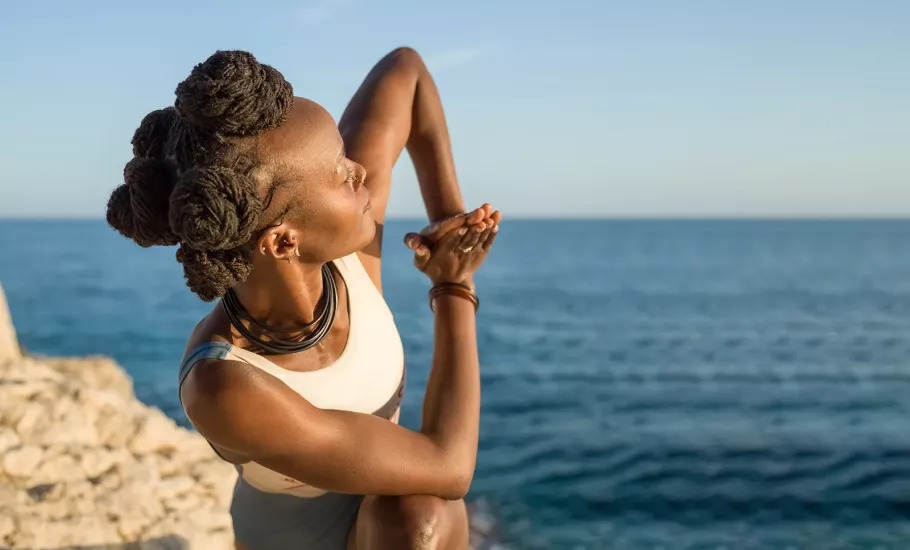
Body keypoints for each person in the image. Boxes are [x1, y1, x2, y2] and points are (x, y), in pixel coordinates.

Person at [105, 47, 501, 550]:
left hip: (385, 504)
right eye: (340, 171)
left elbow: (406, 73)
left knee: (417, 515)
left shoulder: (345, 253)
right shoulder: (224, 382)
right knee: (421, 518)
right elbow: (449, 467)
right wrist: (453, 284)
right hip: (292, 537)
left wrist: (448, 220)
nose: (361, 173)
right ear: (284, 240)